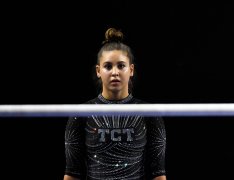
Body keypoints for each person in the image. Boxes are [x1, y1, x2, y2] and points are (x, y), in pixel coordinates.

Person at [63, 27, 166, 180]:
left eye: (121, 65)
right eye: (108, 66)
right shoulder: (81, 114)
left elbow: (158, 174)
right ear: (98, 71)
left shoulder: (149, 113)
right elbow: (72, 173)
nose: (115, 72)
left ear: (131, 70)